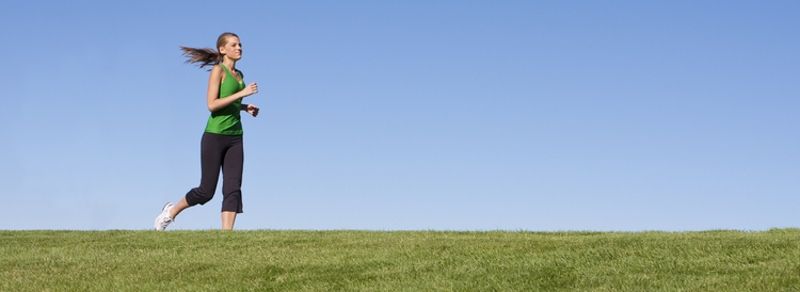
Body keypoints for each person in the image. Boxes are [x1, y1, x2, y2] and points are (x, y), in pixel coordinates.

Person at [154, 32, 260, 231]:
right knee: (206, 191)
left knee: (233, 187)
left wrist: (245, 107)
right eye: (234, 45)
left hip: (235, 137)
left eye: (240, 45)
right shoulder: (218, 71)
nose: (239, 48)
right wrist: (242, 93)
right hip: (214, 136)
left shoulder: (240, 75)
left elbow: (231, 102)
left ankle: (226, 237)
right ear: (223, 49)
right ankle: (170, 212)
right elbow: (212, 104)